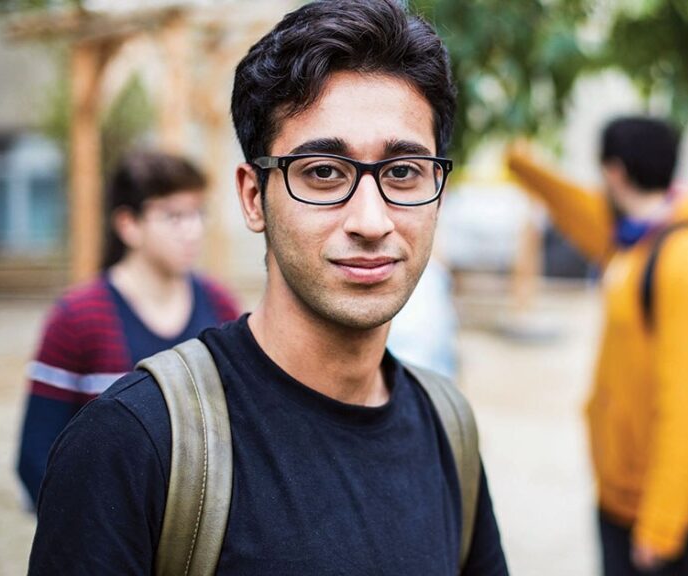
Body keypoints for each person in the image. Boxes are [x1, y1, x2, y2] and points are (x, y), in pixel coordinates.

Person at [27, 1, 508, 574]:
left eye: (403, 172)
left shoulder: (448, 428)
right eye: (324, 173)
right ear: (254, 197)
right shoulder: (135, 444)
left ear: (438, 192)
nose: (372, 220)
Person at [506, 118, 688, 576]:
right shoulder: (635, 242)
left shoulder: (686, 258)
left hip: (671, 520)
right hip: (623, 500)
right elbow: (574, 207)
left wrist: (660, 528)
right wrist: (521, 164)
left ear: (614, 172)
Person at [16, 149, 240, 508]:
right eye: (174, 216)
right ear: (128, 225)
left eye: (198, 213)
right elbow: (36, 457)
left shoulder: (220, 304)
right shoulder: (77, 318)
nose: (193, 229)